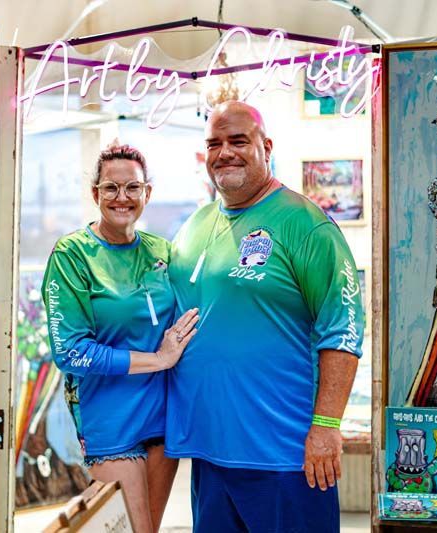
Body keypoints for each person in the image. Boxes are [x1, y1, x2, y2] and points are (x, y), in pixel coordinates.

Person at [166, 101, 364, 532]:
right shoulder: (193, 226)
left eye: (238, 141)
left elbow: (343, 328)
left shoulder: (304, 224)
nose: (225, 152)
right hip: (211, 453)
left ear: (266, 146)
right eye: (214, 143)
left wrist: (327, 425)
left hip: (287, 456)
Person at [43, 143, 199, 533]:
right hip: (110, 419)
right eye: (111, 188)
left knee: (148, 528)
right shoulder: (72, 255)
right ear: (96, 194)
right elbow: (70, 352)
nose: (122, 198)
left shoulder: (163, 252)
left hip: (163, 419)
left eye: (133, 187)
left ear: (147, 193)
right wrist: (157, 360)